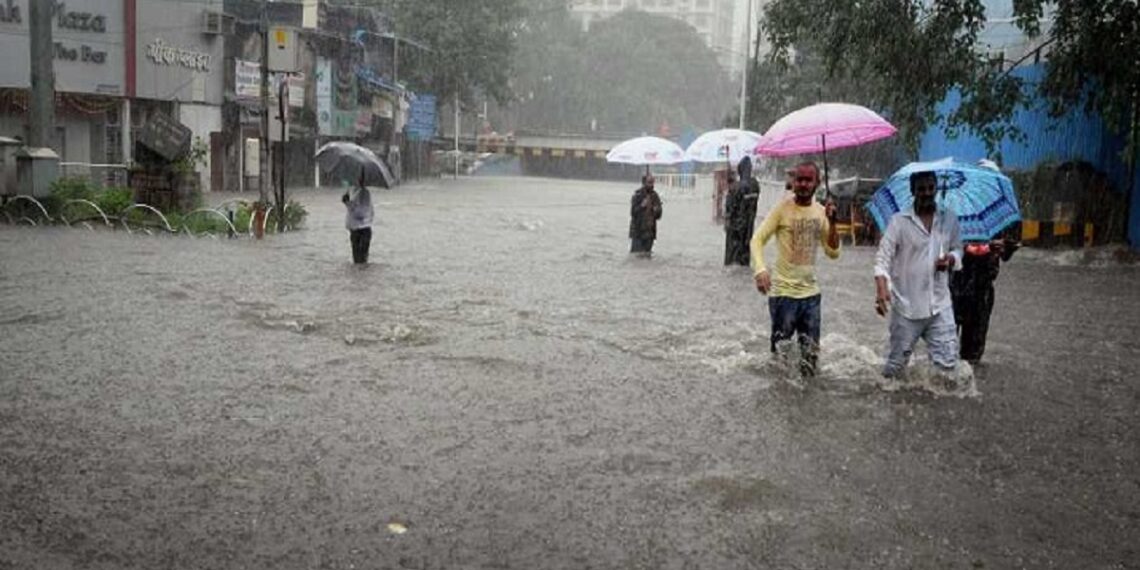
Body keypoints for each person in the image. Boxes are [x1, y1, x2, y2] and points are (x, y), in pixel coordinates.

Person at [751, 161, 840, 377]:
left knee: (810, 362)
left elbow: (833, 252)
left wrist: (833, 222)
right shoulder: (782, 209)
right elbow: (757, 239)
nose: (802, 184)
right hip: (783, 295)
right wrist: (760, 270)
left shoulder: (821, 212)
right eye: (799, 179)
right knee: (779, 360)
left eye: (808, 180)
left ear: (817, 183)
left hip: (811, 296)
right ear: (793, 182)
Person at [874, 171, 963, 378]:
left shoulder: (949, 219)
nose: (927, 193)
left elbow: (959, 249)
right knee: (894, 371)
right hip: (907, 308)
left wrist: (950, 259)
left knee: (948, 369)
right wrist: (881, 290)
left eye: (931, 188)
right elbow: (882, 259)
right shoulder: (899, 222)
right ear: (913, 191)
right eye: (921, 189)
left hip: (940, 305)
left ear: (937, 189)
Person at [951, 236, 1018, 364]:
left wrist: (1003, 246)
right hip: (955, 287)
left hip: (982, 290)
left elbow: (1008, 250)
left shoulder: (994, 226)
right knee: (944, 345)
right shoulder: (948, 224)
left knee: (972, 352)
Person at [724, 156, 760, 266]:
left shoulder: (737, 187)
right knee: (745, 252)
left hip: (735, 227)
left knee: (732, 257)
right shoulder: (755, 185)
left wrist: (730, 188)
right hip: (749, 226)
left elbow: (730, 207)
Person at [342, 172, 374, 264]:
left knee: (360, 261)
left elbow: (361, 213)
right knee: (358, 262)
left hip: (362, 230)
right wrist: (347, 202)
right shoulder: (355, 191)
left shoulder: (364, 193)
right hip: (355, 229)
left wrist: (348, 203)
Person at [629, 174, 663, 257]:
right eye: (649, 182)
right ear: (644, 183)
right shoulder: (637, 195)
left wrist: (657, 210)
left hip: (650, 233)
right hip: (638, 233)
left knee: (647, 257)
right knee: (635, 257)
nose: (651, 185)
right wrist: (642, 206)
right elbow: (633, 213)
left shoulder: (655, 196)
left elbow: (659, 216)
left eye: (652, 182)